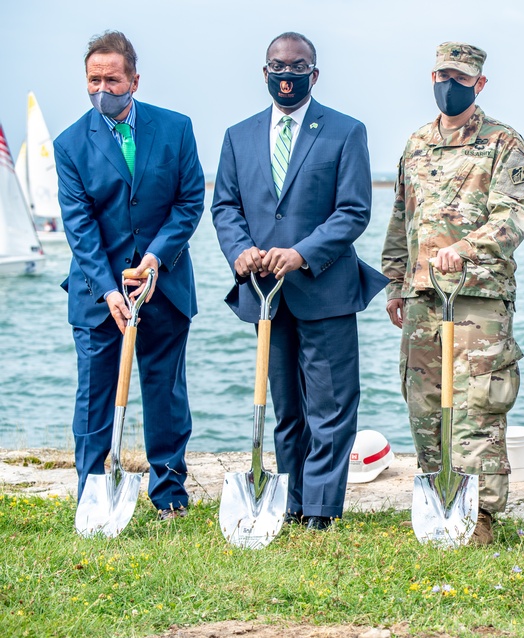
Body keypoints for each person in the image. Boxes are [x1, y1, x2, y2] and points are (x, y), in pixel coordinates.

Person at [212, 32, 387, 531]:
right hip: (265, 292)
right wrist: (239, 249)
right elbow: (224, 205)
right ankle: (288, 502)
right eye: (277, 65)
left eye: (297, 66)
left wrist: (302, 253)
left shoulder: (345, 131)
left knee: (330, 408)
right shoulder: (237, 135)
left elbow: (354, 210)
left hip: (324, 287)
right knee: (286, 407)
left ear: (314, 73)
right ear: (263, 71)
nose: (286, 74)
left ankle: (321, 511)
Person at [382, 42, 524, 545]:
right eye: (443, 74)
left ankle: (482, 517)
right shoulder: (417, 142)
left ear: (479, 84)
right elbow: (402, 215)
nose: (450, 84)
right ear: (432, 77)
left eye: (461, 77)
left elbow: (512, 217)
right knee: (425, 405)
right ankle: (440, 503)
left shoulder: (503, 143)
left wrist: (466, 248)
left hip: (479, 299)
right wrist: (394, 281)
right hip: (423, 296)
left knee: (476, 408)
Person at [54, 30, 203, 519]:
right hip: (99, 295)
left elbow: (189, 201)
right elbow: (79, 226)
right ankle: (93, 497)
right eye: (93, 80)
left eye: (111, 79)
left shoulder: (176, 128)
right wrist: (106, 289)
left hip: (164, 285)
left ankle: (169, 497)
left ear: (134, 80)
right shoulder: (70, 144)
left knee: (165, 395)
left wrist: (156, 258)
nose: (102, 89)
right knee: (94, 400)